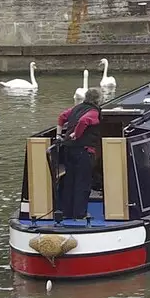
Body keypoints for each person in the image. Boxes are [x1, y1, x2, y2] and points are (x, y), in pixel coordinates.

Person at [56, 87, 103, 220]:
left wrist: (59, 135)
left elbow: (61, 117)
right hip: (83, 151)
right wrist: (76, 134)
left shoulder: (75, 108)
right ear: (98, 100)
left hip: (69, 149)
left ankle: (67, 212)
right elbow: (84, 121)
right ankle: (80, 214)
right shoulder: (93, 112)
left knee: (70, 181)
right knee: (83, 183)